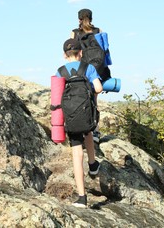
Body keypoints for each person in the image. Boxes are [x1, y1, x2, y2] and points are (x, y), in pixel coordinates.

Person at [56, 38, 103, 208]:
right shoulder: (88, 68)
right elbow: (98, 88)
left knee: (77, 155)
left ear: (64, 55)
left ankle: (82, 197)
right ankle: (92, 164)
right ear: (81, 53)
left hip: (71, 118)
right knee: (88, 131)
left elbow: (56, 97)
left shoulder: (60, 71)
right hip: (87, 115)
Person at [70, 8, 106, 143]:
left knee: (79, 99)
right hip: (96, 70)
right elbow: (106, 51)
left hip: (81, 70)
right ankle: (94, 132)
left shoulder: (75, 33)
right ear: (91, 18)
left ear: (79, 19)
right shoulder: (99, 31)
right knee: (94, 101)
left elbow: (71, 53)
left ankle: (81, 129)